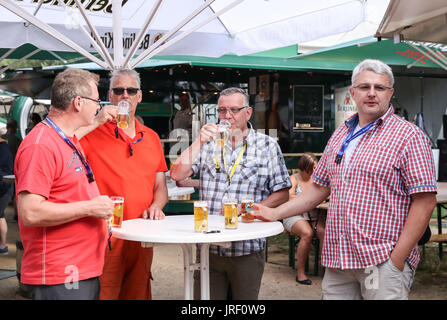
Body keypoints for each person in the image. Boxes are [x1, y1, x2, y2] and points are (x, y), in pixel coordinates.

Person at [254, 59, 437, 300]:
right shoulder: (341, 133)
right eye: (364, 87)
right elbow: (318, 189)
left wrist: (397, 259)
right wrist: (276, 213)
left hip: (381, 259)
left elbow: (424, 201)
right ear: (352, 92)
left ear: (390, 93)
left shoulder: (409, 136)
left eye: (379, 88)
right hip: (339, 258)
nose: (371, 93)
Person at [170, 87, 291, 300]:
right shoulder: (207, 145)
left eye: (234, 110)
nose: (227, 116)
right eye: (222, 110)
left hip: (247, 247)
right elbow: (177, 173)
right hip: (209, 248)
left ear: (248, 112)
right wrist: (198, 141)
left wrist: (248, 211)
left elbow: (282, 193)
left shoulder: (268, 146)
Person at [14, 68, 114, 300]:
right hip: (61, 272)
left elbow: (72, 138)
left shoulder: (63, 137)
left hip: (78, 267)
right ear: (79, 102)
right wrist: (91, 207)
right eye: (96, 100)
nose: (98, 105)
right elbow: (30, 212)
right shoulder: (40, 146)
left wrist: (98, 122)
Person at [79, 68, 168, 300]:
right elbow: (60, 142)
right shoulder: (91, 133)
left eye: (131, 90)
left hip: (142, 235)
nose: (125, 96)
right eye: (119, 90)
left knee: (138, 293)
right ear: (110, 95)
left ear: (140, 96)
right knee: (105, 293)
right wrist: (96, 121)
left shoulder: (152, 137)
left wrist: (157, 206)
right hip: (106, 236)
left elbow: (160, 187)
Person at [283, 152, 325, 285]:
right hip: (294, 215)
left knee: (324, 232)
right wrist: (307, 199)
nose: (313, 171)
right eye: (311, 169)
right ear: (304, 168)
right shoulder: (294, 179)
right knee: (307, 233)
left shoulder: (316, 179)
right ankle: (300, 273)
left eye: (315, 168)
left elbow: (323, 196)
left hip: (313, 215)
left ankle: (327, 270)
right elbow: (288, 197)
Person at [0, 136, 14, 255]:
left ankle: (3, 245)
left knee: (0, 215)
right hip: (5, 187)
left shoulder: (3, 149)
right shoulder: (4, 148)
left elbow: (6, 174)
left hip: (4, 188)